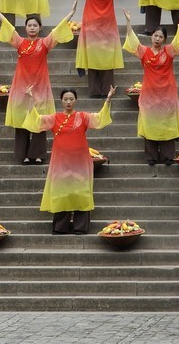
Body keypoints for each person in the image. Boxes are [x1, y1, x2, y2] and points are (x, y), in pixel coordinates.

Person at [0, 0, 78, 164]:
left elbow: (58, 30)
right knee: (22, 120)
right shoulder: (20, 42)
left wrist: (71, 13)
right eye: (29, 25)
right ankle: (21, 154)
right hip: (21, 87)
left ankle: (38, 154)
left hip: (40, 86)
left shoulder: (44, 44)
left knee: (40, 119)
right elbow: (8, 27)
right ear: (25, 28)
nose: (32, 28)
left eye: (35, 25)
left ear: (40, 28)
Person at [51, 0, 145, 97]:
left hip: (107, 28)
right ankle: (94, 91)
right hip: (91, 27)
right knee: (92, 59)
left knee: (107, 59)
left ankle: (108, 91)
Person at [23, 86, 115, 235]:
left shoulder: (83, 116)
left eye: (71, 99)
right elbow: (37, 121)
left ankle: (80, 227)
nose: (68, 102)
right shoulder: (55, 118)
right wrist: (31, 100)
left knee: (81, 192)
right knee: (62, 192)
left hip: (80, 161)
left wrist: (108, 99)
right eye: (65, 99)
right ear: (61, 101)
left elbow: (99, 119)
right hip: (61, 162)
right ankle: (60, 227)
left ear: (76, 100)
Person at [123, 8, 179, 171]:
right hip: (149, 93)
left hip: (167, 92)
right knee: (150, 122)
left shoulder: (168, 51)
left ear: (164, 39)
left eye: (161, 36)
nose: (157, 38)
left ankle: (168, 156)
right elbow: (132, 42)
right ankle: (151, 157)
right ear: (151, 37)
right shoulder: (144, 52)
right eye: (155, 35)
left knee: (167, 123)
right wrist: (128, 22)